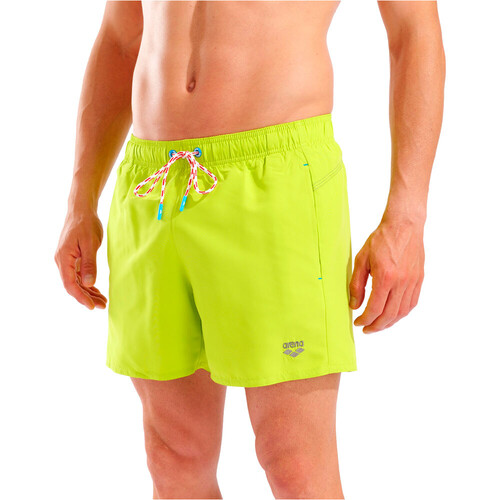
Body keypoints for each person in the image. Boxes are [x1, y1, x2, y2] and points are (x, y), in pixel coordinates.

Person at [54, 1, 445, 498]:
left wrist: (407, 217)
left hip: (275, 178)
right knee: (174, 455)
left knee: (294, 461)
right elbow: (120, 36)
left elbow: (414, 30)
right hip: (154, 183)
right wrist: (80, 200)